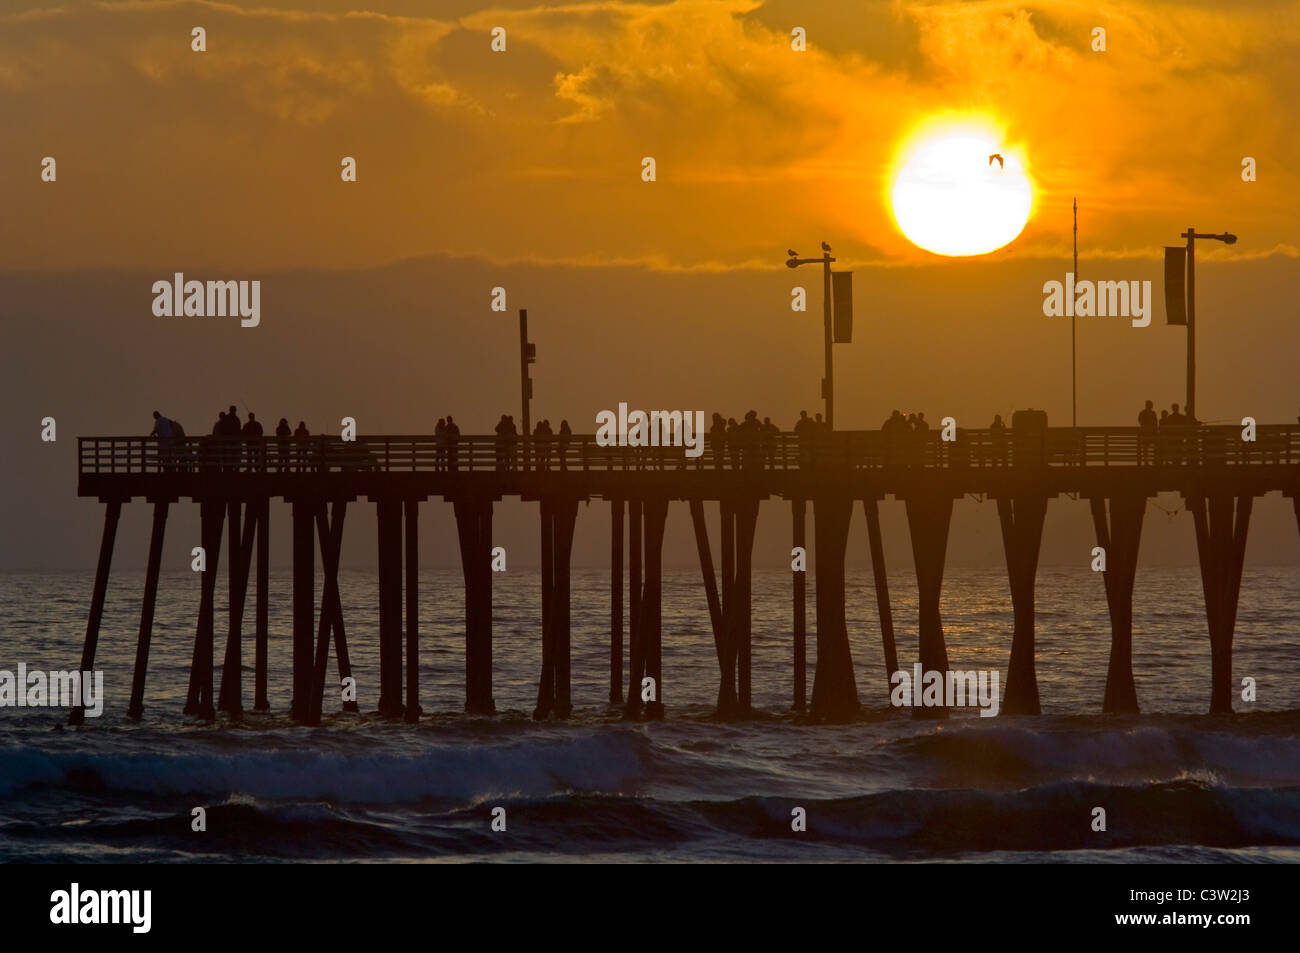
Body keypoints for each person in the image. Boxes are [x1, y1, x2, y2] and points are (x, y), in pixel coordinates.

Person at [1138, 400, 1158, 464]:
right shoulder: (1143, 413)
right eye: (1149, 404)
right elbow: (1140, 421)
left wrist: (1154, 429)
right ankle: (1146, 461)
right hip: (1145, 433)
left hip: (1152, 433)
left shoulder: (1153, 413)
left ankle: (1154, 460)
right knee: (1145, 448)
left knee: (1154, 447)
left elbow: (1155, 423)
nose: (1150, 406)